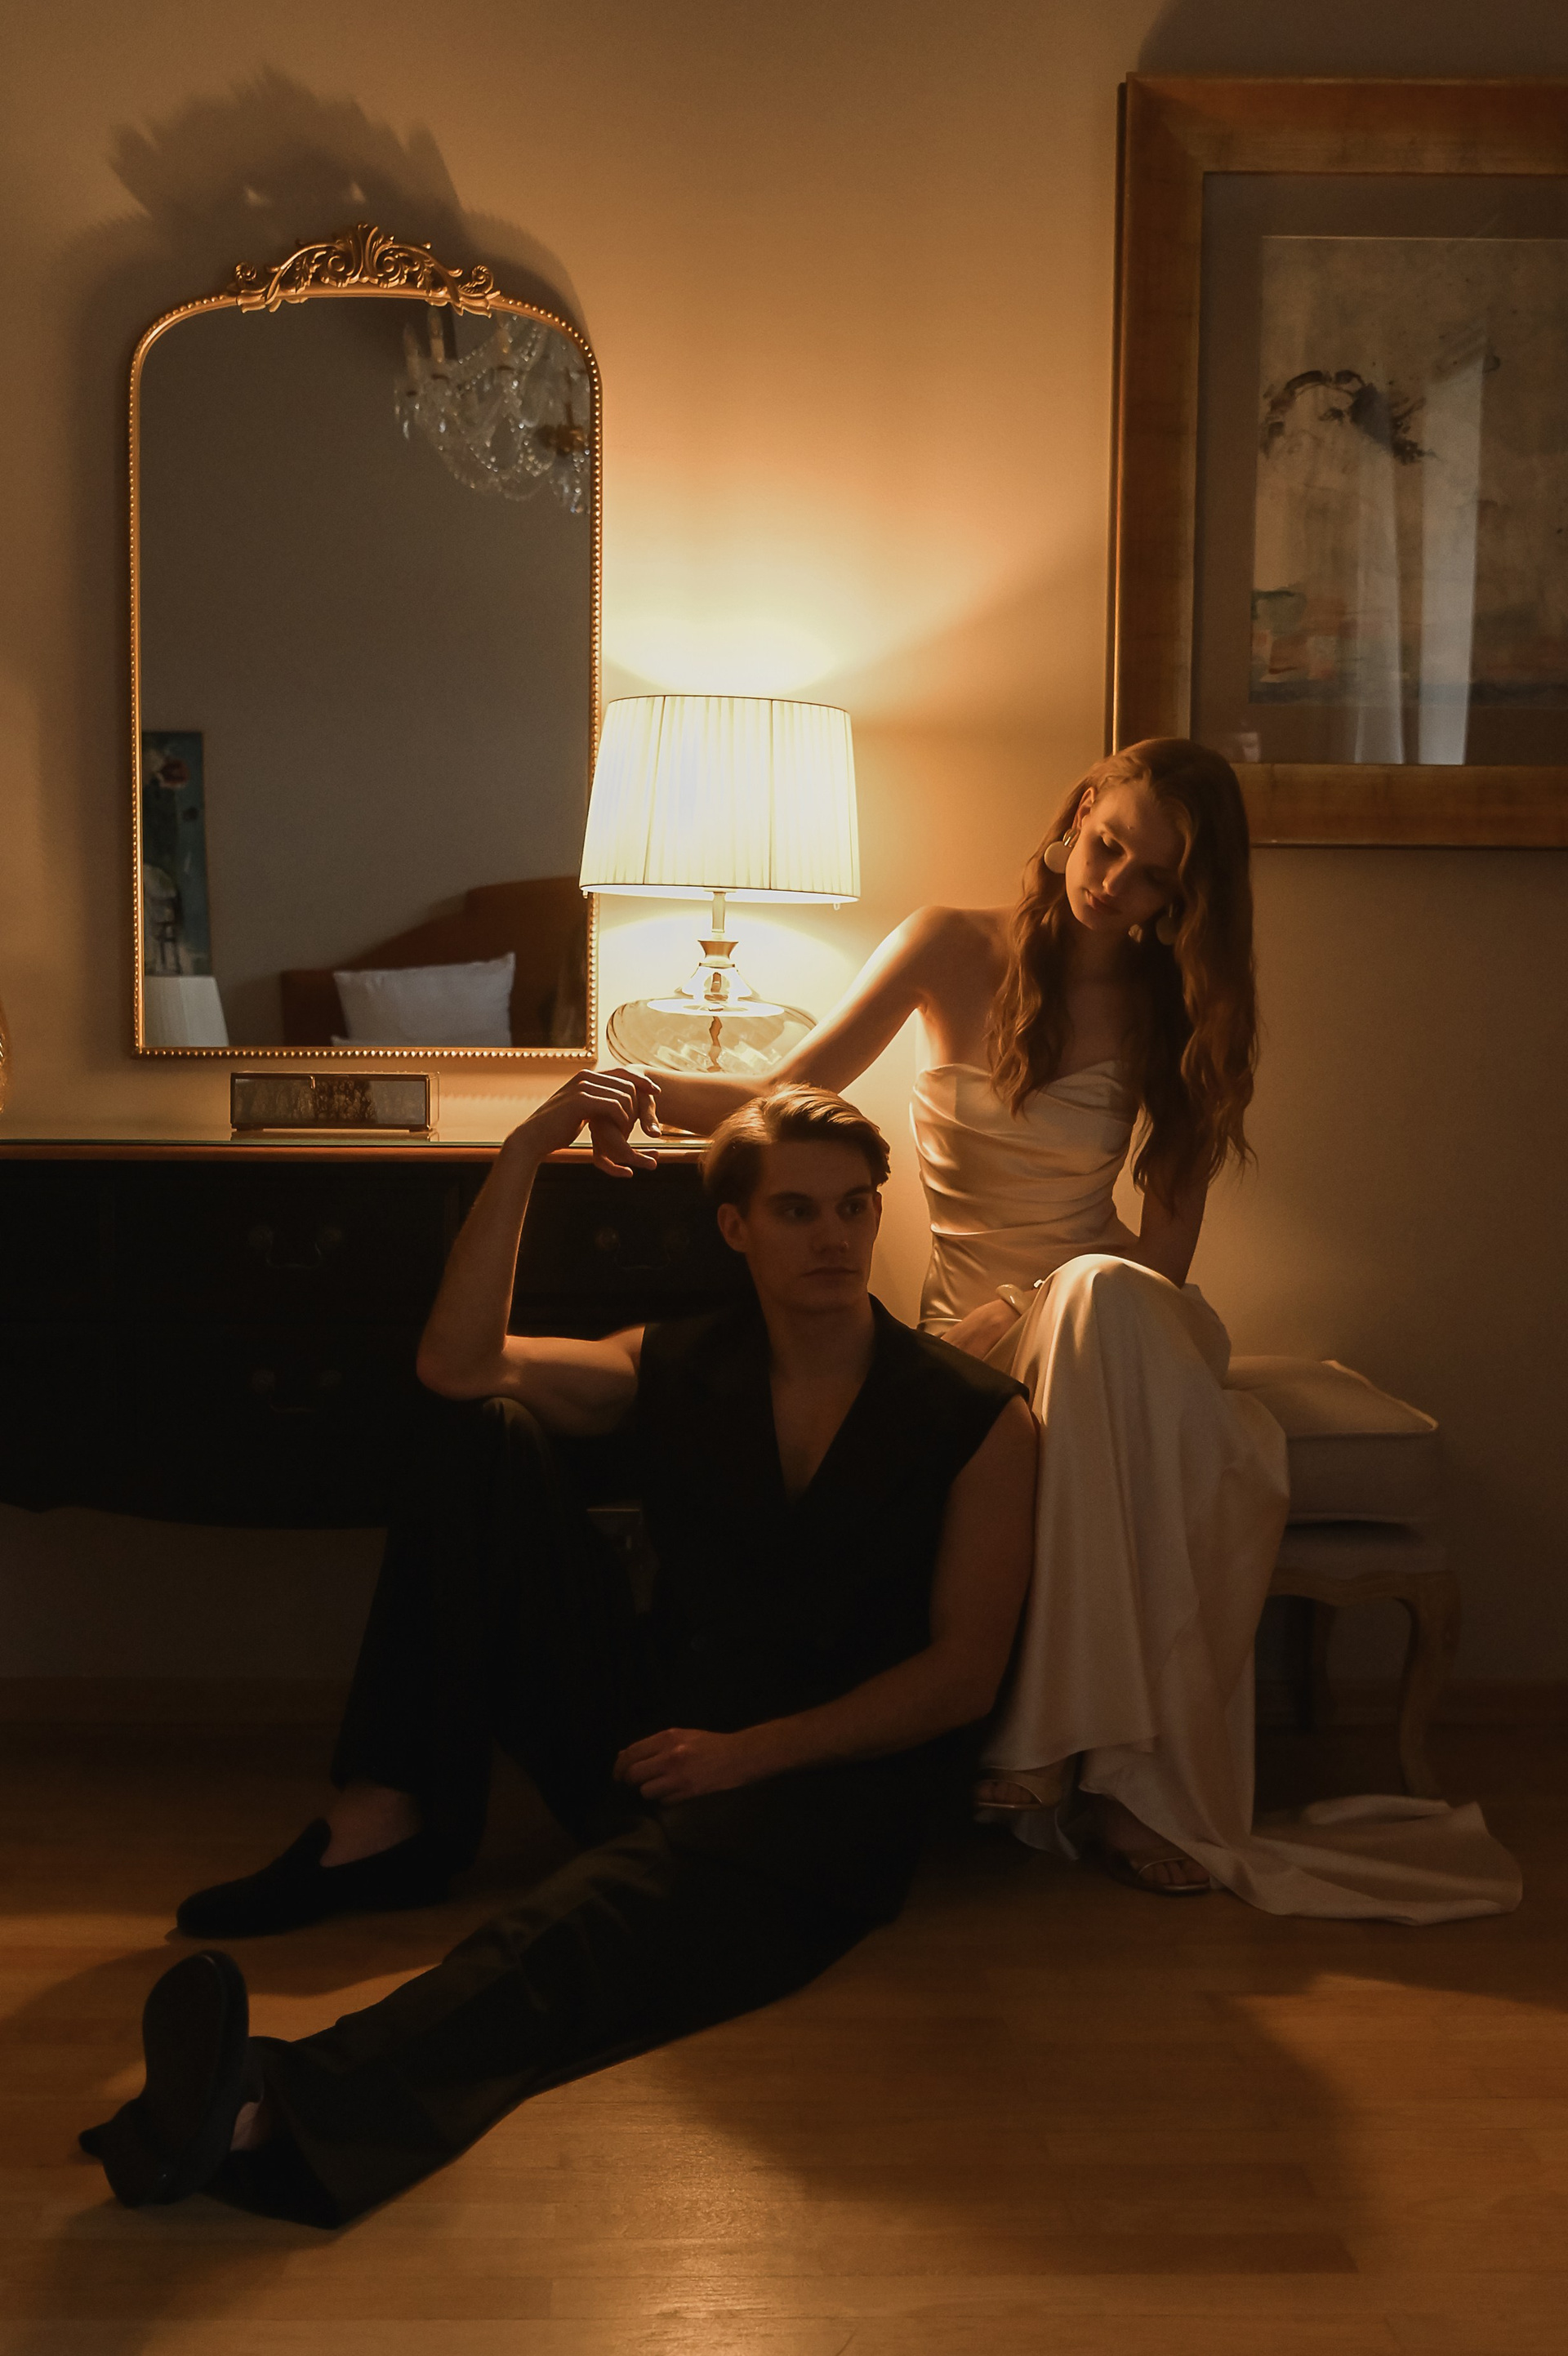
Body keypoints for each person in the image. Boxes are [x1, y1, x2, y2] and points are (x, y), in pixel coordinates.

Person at [82, 1080, 1037, 2220]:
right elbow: (458, 1364)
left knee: (585, 1927)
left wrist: (748, 1755)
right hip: (658, 1736)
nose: (833, 1236)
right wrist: (527, 1149)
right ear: (734, 1226)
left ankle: (269, 2106)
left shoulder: (976, 1415)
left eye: (854, 1207)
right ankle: (388, 1818)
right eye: (796, 1210)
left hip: (819, 1789)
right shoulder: (678, 1360)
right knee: (481, 1431)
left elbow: (962, 1677)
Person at [605, 737, 1521, 1923]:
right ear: (1080, 811)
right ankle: (1091, 1767)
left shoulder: (1174, 1006)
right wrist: (628, 1090)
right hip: (966, 1329)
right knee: (1076, 1316)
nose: (1115, 883)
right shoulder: (946, 943)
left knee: (1095, 1296)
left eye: (1154, 876)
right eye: (1109, 845)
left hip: (1128, 1319)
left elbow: (1165, 1253)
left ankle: (1069, 1759)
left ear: (1183, 897)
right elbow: (786, 1092)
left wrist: (1042, 1302)